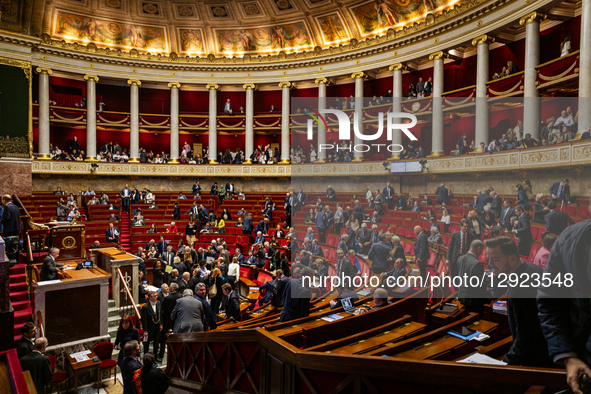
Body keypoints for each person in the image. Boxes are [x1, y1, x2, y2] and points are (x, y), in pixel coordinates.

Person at [485, 237, 551, 367]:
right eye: (488, 259)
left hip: (538, 362)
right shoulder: (533, 268)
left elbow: (525, 339)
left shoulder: (519, 291)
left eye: (496, 259)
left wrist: (505, 364)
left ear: (512, 258)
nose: (490, 264)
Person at [456, 240, 488, 315]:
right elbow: (480, 284)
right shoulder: (477, 263)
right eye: (482, 251)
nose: (481, 253)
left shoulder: (460, 258)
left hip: (461, 295)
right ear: (478, 248)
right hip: (473, 300)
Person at [141, 291, 162, 358]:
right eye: (155, 296)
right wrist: (145, 330)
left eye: (156, 295)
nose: (157, 297)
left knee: (156, 341)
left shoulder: (158, 303)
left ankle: (155, 356)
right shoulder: (145, 307)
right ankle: (146, 357)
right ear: (150, 298)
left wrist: (161, 324)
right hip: (149, 327)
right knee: (146, 343)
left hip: (157, 326)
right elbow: (144, 320)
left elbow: (160, 315)